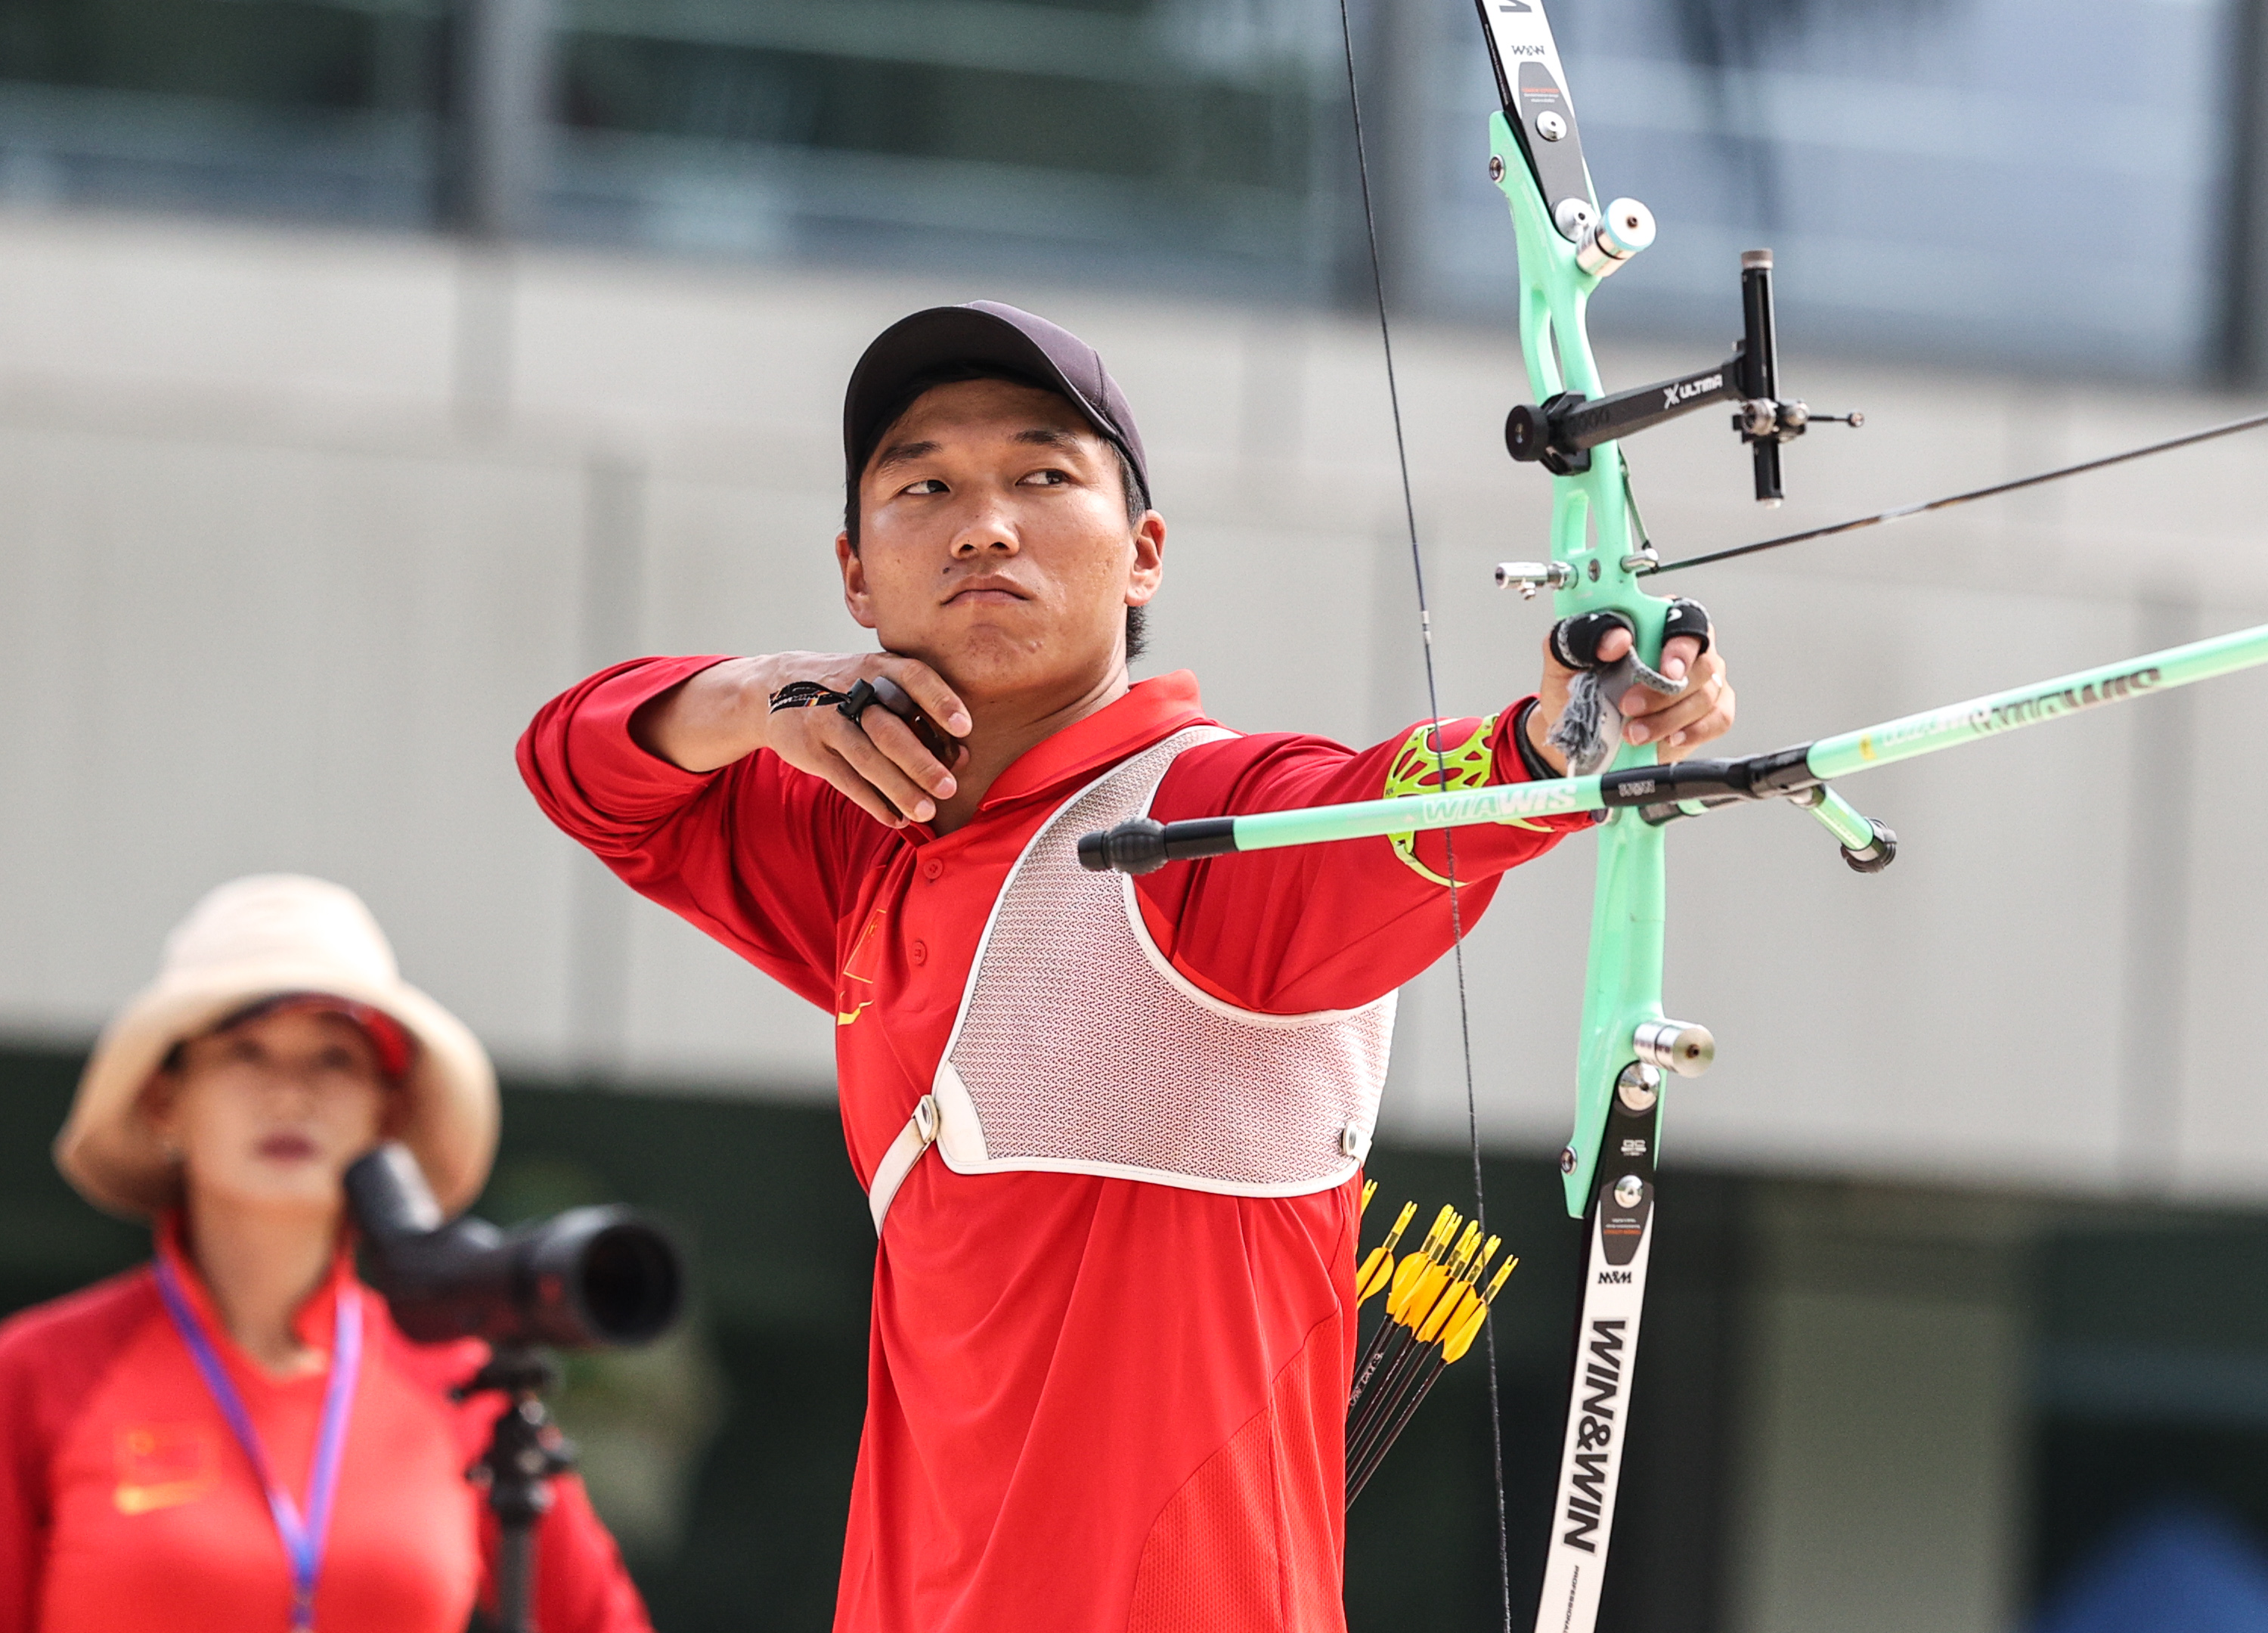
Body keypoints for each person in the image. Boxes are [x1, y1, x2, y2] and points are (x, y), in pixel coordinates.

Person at [516, 301, 1737, 1632]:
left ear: (1142, 552)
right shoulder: (871, 837)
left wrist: (1564, 735)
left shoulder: (1202, 825)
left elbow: (1382, 816)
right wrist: (758, 697)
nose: (985, 520)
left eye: (1044, 476)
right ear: (857, 578)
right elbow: (580, 771)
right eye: (925, 485)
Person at [0, 875, 654, 1633]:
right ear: (165, 1101)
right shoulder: (36, 1376)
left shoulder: (460, 1386)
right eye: (246, 1052)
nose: (290, 1095)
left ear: (389, 1109)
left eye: (333, 1060)